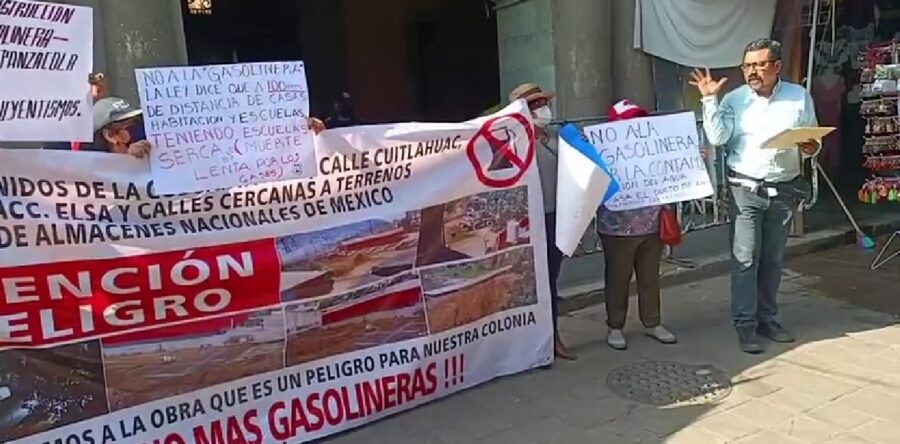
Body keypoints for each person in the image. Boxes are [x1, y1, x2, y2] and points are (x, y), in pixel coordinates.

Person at [690, 38, 820, 354]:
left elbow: (813, 140)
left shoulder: (798, 98)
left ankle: (768, 320)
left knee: (773, 260)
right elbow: (718, 138)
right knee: (746, 258)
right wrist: (709, 101)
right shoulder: (734, 100)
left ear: (776, 66)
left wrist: (811, 147)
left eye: (760, 65)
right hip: (744, 190)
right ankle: (745, 326)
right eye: (748, 65)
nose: (753, 71)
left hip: (783, 190)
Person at [597, 100, 677, 351]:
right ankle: (615, 326)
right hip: (616, 228)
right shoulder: (602, 153)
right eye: (629, 120)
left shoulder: (654, 149)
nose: (636, 125)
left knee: (650, 277)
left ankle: (652, 322)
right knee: (618, 278)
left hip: (651, 225)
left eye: (638, 119)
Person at [508, 82, 576, 361]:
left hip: (555, 216)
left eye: (542, 104)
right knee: (528, 284)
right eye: (535, 106)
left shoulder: (553, 137)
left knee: (550, 280)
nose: (542, 110)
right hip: (528, 221)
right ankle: (533, 340)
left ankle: (551, 336)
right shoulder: (513, 142)